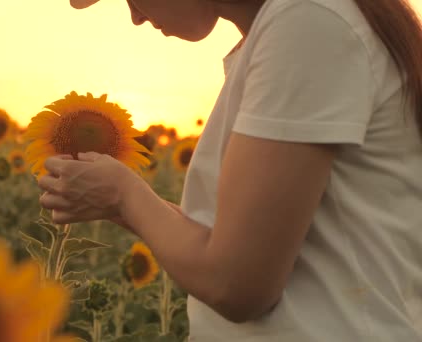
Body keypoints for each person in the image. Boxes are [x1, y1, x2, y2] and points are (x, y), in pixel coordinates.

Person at [36, 0, 422, 340]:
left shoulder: (308, 22)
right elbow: (237, 246)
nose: (135, 15)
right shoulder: (295, 25)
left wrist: (125, 193)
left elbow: (235, 285)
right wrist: (121, 202)